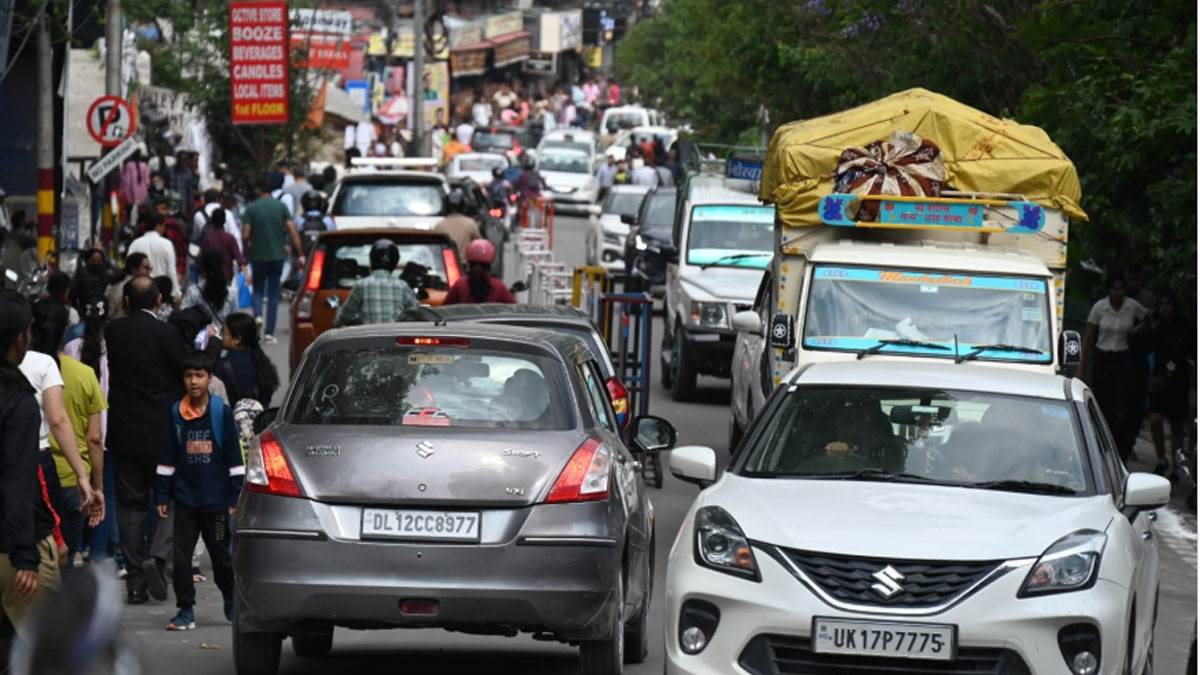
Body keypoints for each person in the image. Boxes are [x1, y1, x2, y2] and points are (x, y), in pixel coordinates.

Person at [106, 276, 185, 604]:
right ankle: (159, 556)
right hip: (161, 434)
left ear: (125, 302)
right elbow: (184, 370)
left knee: (130, 505)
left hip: (124, 433)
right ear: (159, 301)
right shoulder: (167, 334)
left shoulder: (113, 332)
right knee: (169, 498)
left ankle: (135, 579)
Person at [154, 351, 241, 631]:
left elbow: (234, 459)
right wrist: (162, 496)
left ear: (209, 379)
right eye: (189, 376)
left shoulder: (221, 413)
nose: (194, 381)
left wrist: (233, 497)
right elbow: (167, 457)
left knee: (221, 557)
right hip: (186, 502)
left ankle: (230, 598)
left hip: (216, 506)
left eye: (199, 376)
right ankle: (185, 609)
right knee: (181, 557)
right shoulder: (175, 414)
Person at [0, 290, 61, 657]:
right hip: (13, 548)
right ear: (20, 337)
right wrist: (25, 556)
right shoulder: (19, 402)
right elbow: (18, 480)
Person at [38, 304, 106, 569]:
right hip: (72, 479)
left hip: (34, 476)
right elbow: (94, 438)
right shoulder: (84, 374)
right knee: (64, 562)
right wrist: (96, 484)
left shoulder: (22, 370)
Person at [62, 294, 120, 569]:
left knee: (75, 493)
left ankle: (76, 548)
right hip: (102, 434)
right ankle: (97, 553)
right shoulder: (113, 349)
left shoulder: (70, 350)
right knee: (103, 491)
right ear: (107, 317)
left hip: (69, 436)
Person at [1077, 274, 1148, 461]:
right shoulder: (1099, 308)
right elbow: (1089, 338)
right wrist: (1081, 367)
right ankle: (1098, 444)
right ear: (1109, 290)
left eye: (1121, 289)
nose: (1118, 293)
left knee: (1120, 406)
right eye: (1115, 289)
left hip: (1122, 359)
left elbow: (1149, 316)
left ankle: (1119, 447)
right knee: (1101, 402)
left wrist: (1136, 330)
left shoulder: (1131, 306)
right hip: (1102, 358)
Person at [242, 178, 304, 344]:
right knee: (273, 294)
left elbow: (246, 235)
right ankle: (269, 333)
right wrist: (300, 253)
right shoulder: (281, 207)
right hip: (277, 256)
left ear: (259, 191)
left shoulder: (251, 208)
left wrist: (246, 252)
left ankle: (257, 315)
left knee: (257, 290)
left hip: (258, 255)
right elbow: (292, 231)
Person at [1145, 292, 1192, 476]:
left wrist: (1171, 368)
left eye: (1169, 304)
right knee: (1155, 418)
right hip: (1159, 377)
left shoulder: (1184, 327)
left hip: (1178, 378)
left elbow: (1183, 352)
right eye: (1162, 304)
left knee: (1176, 425)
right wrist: (1153, 328)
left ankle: (1176, 465)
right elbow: (1150, 347)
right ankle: (1161, 459)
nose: (1165, 308)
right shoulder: (1157, 325)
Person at [334, 240, 420, 326]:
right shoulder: (402, 286)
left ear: (372, 260)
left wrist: (337, 322)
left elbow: (344, 316)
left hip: (369, 337)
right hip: (394, 337)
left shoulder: (361, 285)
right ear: (395, 262)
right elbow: (417, 313)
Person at [216, 312, 279, 408]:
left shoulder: (224, 365)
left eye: (223, 331)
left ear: (237, 339)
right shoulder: (261, 361)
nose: (220, 334)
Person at [128, 211, 179, 301]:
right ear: (159, 225)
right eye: (164, 225)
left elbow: (129, 270)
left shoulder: (135, 244)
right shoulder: (166, 244)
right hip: (161, 293)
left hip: (139, 293)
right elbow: (171, 270)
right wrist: (176, 294)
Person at [444, 240, 515, 305]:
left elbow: (444, 311)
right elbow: (514, 311)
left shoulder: (460, 285)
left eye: (483, 266)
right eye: (475, 265)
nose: (478, 269)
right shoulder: (498, 286)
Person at [182, 250, 239, 327]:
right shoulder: (231, 294)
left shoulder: (193, 292)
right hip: (224, 338)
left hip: (199, 337)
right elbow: (236, 322)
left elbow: (185, 319)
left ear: (203, 269)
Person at [433, 189, 482, 264]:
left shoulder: (439, 225)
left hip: (445, 265)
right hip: (464, 266)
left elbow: (434, 251)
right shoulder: (470, 223)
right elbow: (479, 245)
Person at [199, 208, 245, 284]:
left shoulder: (207, 239)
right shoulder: (230, 238)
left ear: (212, 221)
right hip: (226, 277)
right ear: (224, 221)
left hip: (211, 278)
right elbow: (238, 258)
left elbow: (201, 259)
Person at [105, 252, 151, 322]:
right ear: (134, 269)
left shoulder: (117, 281)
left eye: (150, 268)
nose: (149, 272)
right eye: (146, 268)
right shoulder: (130, 285)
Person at [71, 248, 110, 314]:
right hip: (84, 311)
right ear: (88, 261)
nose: (96, 263)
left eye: (99, 261)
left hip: (102, 312)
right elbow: (73, 295)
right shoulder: (81, 275)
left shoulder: (106, 275)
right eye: (93, 260)